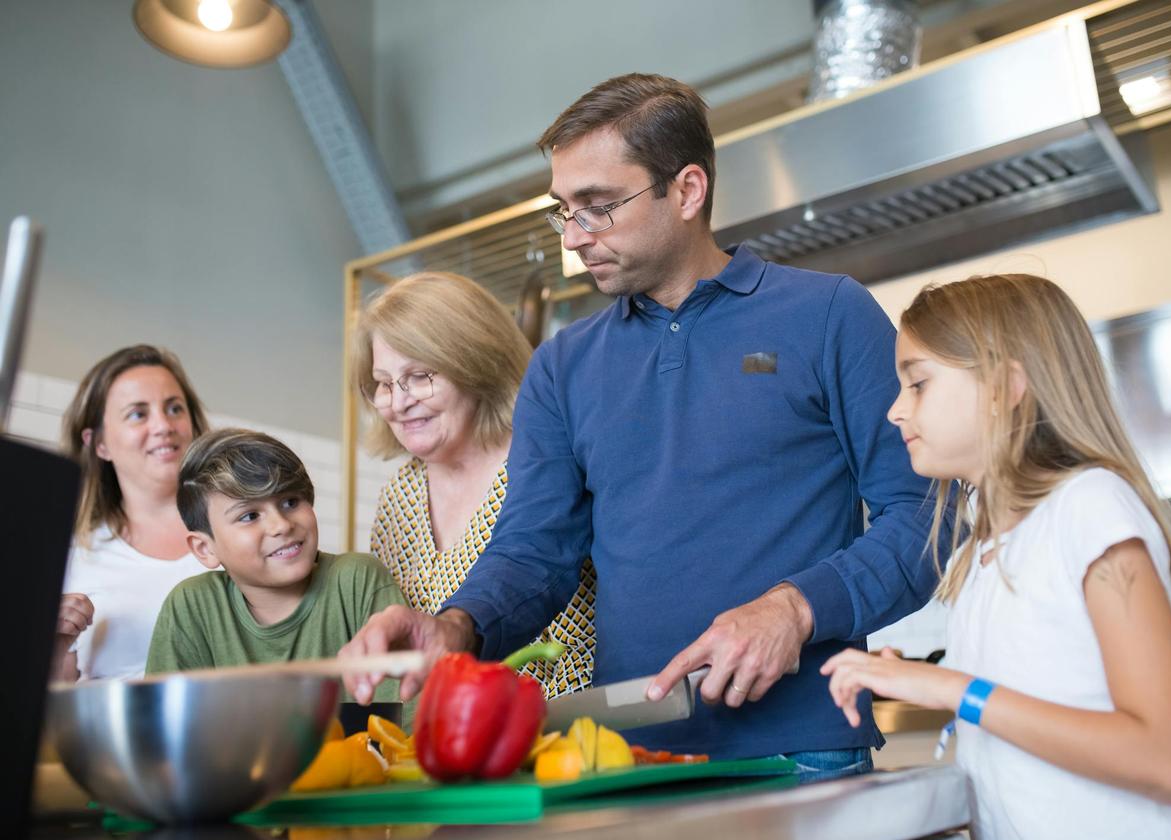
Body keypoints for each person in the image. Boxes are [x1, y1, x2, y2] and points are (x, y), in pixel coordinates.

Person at [342, 73, 940, 768]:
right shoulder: (561, 366)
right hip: (626, 757)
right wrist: (457, 625)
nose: (573, 237)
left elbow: (925, 517)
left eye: (596, 207)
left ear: (687, 190)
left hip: (803, 749)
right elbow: (535, 551)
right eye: (562, 210)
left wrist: (796, 608)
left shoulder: (829, 315)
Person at [822, 275, 1171, 840]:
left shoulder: (1091, 508)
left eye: (918, 385)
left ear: (1006, 386)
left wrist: (954, 688)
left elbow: (1167, 763)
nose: (894, 412)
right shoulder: (987, 550)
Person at [351, 271, 595, 698]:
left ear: (476, 364)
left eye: (420, 375)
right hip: (461, 736)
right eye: (384, 384)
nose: (399, 402)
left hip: (574, 723)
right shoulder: (399, 495)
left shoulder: (543, 460)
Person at [146, 428, 409, 707]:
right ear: (205, 549)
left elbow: (405, 723)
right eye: (249, 516)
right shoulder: (191, 607)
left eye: (290, 501)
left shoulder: (357, 581)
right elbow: (163, 729)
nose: (281, 525)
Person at [54, 345, 212, 681]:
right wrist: (55, 644)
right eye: (138, 414)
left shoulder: (240, 533)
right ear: (100, 444)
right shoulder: (71, 556)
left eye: (174, 409)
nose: (163, 426)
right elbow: (48, 699)